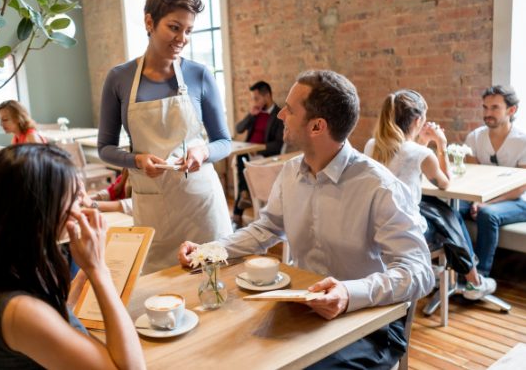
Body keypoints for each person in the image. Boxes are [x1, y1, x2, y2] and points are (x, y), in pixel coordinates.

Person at [179, 70, 434, 370]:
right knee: (220, 349)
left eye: (290, 109)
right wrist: (209, 251)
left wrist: (349, 294)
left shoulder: (379, 186)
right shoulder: (290, 173)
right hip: (301, 310)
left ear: (317, 126)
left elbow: (419, 272)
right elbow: (266, 229)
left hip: (367, 323)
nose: (281, 115)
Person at [0, 144, 145, 370]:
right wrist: (98, 270)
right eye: (74, 198)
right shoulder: (19, 311)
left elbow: (52, 314)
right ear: (39, 210)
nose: (81, 208)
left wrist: (81, 280)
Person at [97, 0, 232, 274]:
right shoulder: (119, 79)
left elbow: (224, 141)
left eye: (188, 30)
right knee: (160, 296)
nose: (182, 38)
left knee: (213, 290)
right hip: (152, 209)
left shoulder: (199, 75)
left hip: (202, 207)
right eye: (174, 27)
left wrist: (203, 152)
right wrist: (136, 160)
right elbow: (104, 148)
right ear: (150, 22)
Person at [364, 90, 495, 300]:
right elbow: (444, 183)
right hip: (406, 230)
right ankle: (473, 281)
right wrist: (440, 143)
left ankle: (453, 277)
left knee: (442, 211)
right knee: (450, 216)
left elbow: (405, 166)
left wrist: (421, 143)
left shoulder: (372, 145)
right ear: (418, 121)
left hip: (374, 225)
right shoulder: (421, 153)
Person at [461, 85, 526, 291]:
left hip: (518, 201)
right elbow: (473, 178)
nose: (487, 113)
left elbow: (520, 188)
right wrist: (474, 201)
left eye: (495, 108)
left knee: (487, 214)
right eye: (485, 107)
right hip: (481, 197)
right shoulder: (475, 137)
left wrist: (485, 203)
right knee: (448, 208)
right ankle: (461, 267)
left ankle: (479, 280)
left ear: (511, 110)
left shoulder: (522, 141)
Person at [232, 81, 284, 228]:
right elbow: (239, 129)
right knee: (241, 156)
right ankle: (244, 194)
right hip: (247, 154)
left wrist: (258, 150)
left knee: (243, 158)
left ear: (267, 96)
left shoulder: (278, 115)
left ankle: (239, 211)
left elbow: (278, 144)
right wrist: (250, 114)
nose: (254, 102)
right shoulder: (255, 112)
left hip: (264, 156)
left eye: (256, 98)